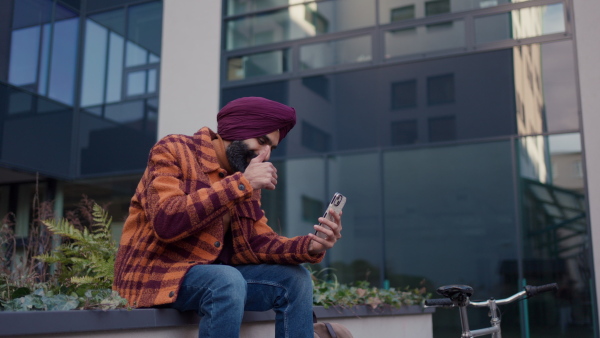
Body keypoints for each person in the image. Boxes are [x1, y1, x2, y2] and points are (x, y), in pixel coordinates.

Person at [113, 97, 343, 338]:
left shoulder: (245, 175)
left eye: (271, 148)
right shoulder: (173, 149)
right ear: (237, 130)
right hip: (156, 275)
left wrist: (311, 245)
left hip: (214, 280)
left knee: (295, 279)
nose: (264, 153)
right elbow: (166, 221)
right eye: (261, 141)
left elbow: (255, 242)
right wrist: (241, 184)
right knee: (226, 279)